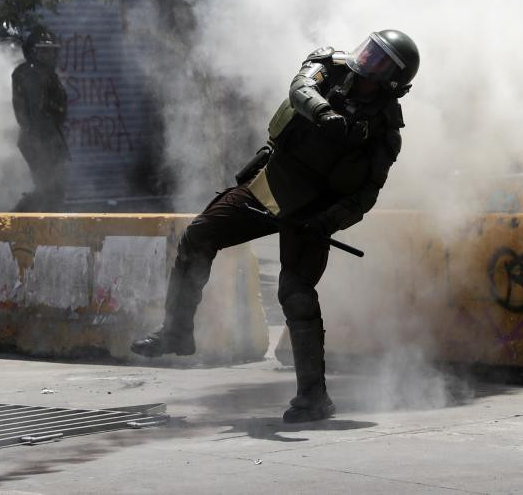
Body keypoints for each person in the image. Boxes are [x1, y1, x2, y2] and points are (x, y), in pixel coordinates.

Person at [131, 29, 419, 423]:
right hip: (271, 184)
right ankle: (177, 331)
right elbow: (300, 87)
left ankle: (314, 399)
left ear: (392, 83)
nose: (364, 63)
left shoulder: (385, 134)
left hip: (314, 211)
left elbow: (365, 195)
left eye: (378, 63)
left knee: (295, 294)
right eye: (369, 53)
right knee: (199, 235)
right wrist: (324, 113)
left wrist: (327, 222)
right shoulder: (328, 65)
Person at [11, 28, 70, 211]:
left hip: (45, 138)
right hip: (41, 140)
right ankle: (15, 222)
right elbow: (37, 114)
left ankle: (34, 227)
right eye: (44, 50)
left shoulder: (41, 72)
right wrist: (48, 146)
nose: (50, 54)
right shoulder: (32, 73)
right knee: (50, 191)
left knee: (52, 191)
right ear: (33, 51)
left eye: (52, 50)